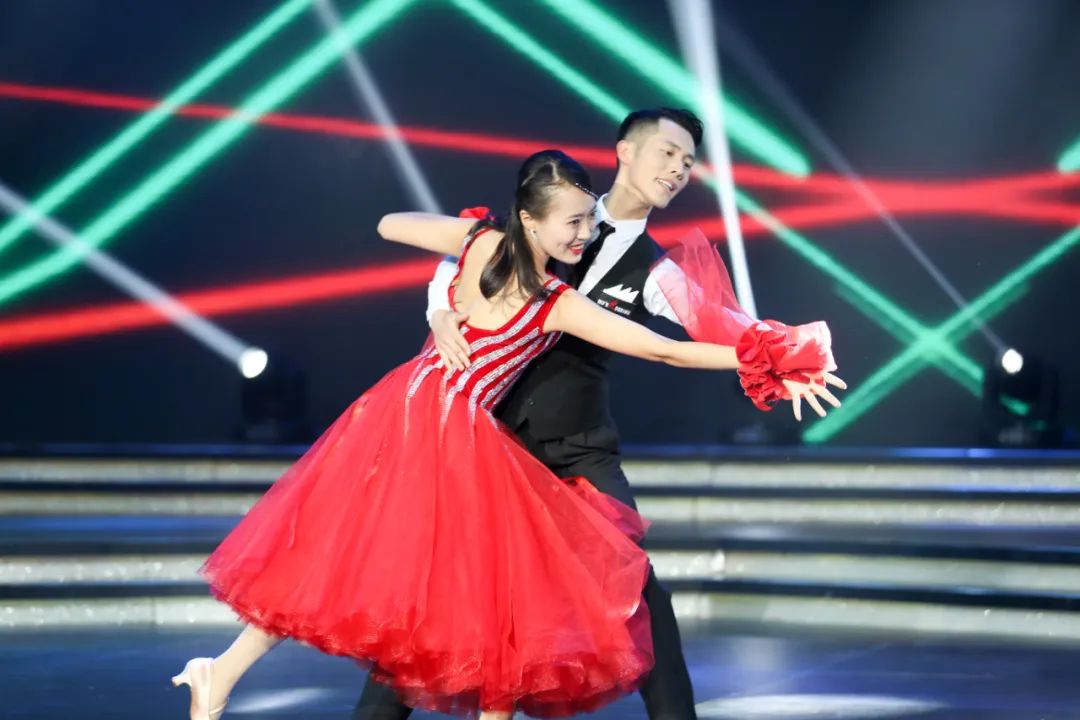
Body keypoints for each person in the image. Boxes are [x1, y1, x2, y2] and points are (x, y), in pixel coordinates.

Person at [173, 150, 842, 720]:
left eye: (588, 219)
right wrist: (442, 306)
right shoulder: (532, 284)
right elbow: (391, 225)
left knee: (442, 589)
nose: (584, 234)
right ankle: (223, 671)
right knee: (404, 578)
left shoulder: (505, 261)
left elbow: (662, 346)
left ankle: (221, 670)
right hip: (435, 435)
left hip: (413, 414)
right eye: (572, 222)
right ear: (529, 219)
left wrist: (759, 354)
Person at [358, 107, 758, 720]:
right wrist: (439, 312)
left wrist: (776, 355)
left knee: (638, 592)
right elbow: (465, 257)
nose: (678, 169)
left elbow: (705, 326)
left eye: (687, 162)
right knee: (439, 600)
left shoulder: (656, 268)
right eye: (668, 153)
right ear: (626, 151)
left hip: (579, 449)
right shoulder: (554, 208)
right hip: (492, 441)